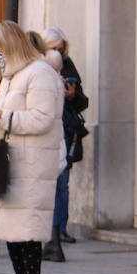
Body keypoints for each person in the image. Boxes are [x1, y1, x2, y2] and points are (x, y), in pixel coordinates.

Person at [0, 20, 64, 274]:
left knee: (27, 227)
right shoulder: (10, 76)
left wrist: (0, 116)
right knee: (12, 226)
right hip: (11, 158)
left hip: (31, 162)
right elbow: (4, 114)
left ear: (11, 46)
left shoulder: (40, 74)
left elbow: (42, 119)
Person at [42, 27, 90, 262]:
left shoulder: (68, 65)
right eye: (54, 49)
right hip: (46, 130)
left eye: (61, 49)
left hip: (66, 130)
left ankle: (59, 229)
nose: (58, 53)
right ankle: (48, 231)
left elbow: (83, 101)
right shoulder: (38, 68)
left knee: (63, 184)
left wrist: (72, 95)